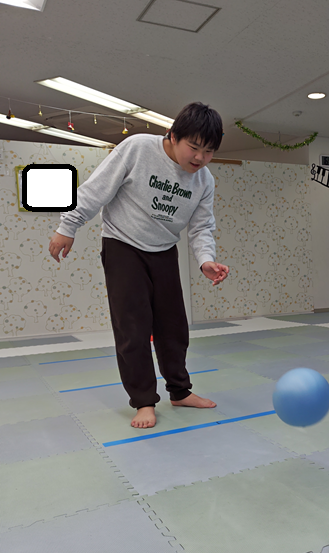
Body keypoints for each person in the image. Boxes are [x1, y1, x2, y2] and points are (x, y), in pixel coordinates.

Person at [48, 102, 229, 429]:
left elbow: (202, 227)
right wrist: (68, 226)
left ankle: (180, 391)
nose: (200, 157)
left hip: (164, 250)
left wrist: (206, 261)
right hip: (123, 245)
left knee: (174, 328)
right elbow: (96, 190)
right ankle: (144, 401)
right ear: (173, 136)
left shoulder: (205, 180)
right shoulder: (138, 149)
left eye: (209, 151)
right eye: (194, 147)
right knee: (132, 328)